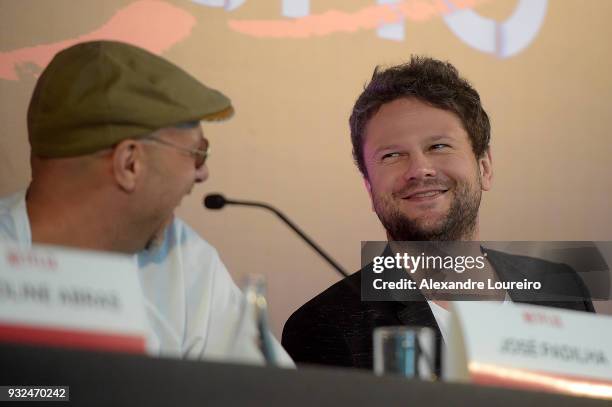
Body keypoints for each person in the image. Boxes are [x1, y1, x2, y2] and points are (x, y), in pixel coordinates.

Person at [281, 56, 593, 371]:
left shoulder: (562, 289)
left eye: (439, 147)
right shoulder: (324, 326)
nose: (419, 170)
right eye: (392, 155)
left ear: (484, 167)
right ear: (369, 188)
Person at [0, 40, 292, 366]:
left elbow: (268, 392)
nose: (203, 173)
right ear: (129, 163)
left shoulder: (183, 257)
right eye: (197, 153)